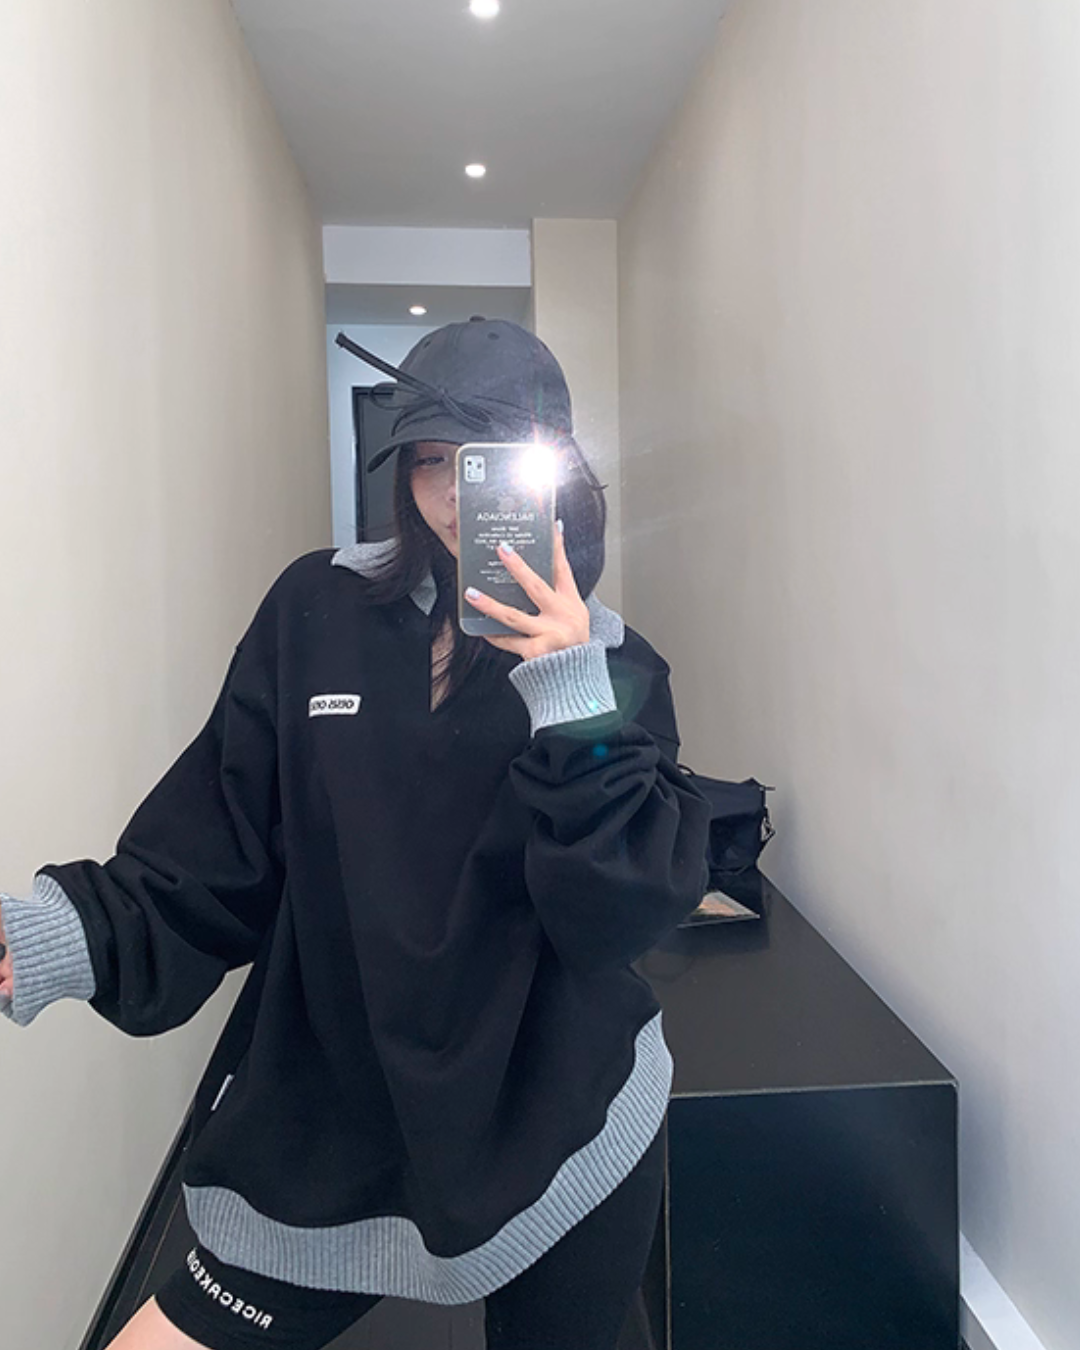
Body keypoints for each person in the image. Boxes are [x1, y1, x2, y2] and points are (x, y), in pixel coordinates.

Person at [0, 317, 711, 1350]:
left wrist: (566, 686)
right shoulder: (314, 609)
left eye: (489, 462)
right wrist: (52, 937)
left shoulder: (617, 663)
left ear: (557, 472)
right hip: (334, 1111)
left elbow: (615, 913)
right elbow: (221, 835)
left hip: (560, 1112)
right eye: (431, 461)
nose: (455, 496)